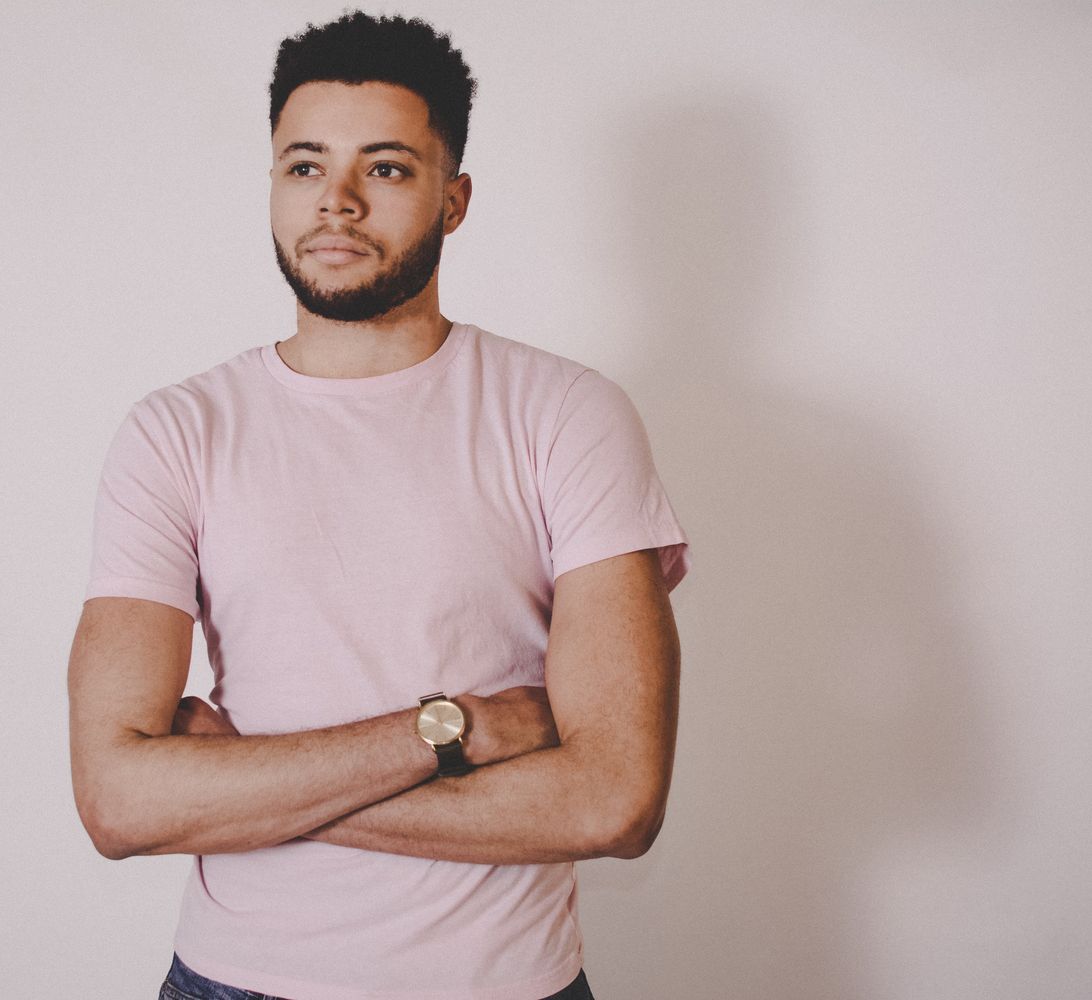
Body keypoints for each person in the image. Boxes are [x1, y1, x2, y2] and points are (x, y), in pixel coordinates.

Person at [67, 11, 691, 999]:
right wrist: (455, 731)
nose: (338, 202)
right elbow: (118, 803)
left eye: (388, 168)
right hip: (234, 980)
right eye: (305, 166)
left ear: (454, 199)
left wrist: (244, 786)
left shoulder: (567, 415)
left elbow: (613, 802)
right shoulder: (177, 431)